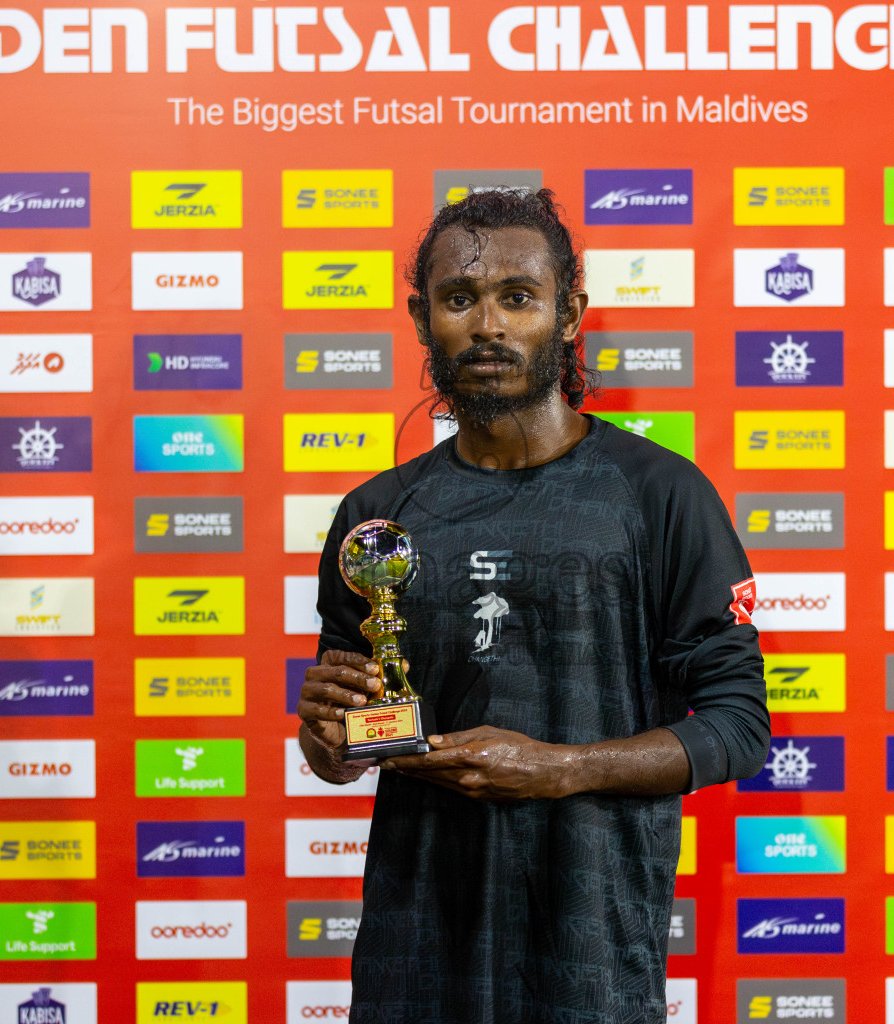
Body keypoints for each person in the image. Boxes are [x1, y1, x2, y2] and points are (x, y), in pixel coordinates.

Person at [297, 187, 770, 1023]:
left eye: (518, 297)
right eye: (458, 298)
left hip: (591, 954)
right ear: (420, 319)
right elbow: (351, 744)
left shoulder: (660, 495)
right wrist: (328, 737)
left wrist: (559, 769)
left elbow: (737, 728)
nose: (488, 325)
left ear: (571, 312)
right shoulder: (376, 521)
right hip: (415, 959)